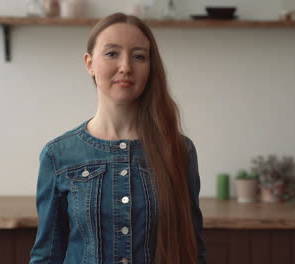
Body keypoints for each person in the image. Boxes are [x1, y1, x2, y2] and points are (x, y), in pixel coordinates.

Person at [29, 12, 206, 264]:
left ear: (150, 66)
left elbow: (193, 250)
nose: (126, 67)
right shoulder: (59, 156)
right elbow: (47, 256)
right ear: (89, 63)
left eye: (139, 56)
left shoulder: (179, 150)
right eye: (112, 53)